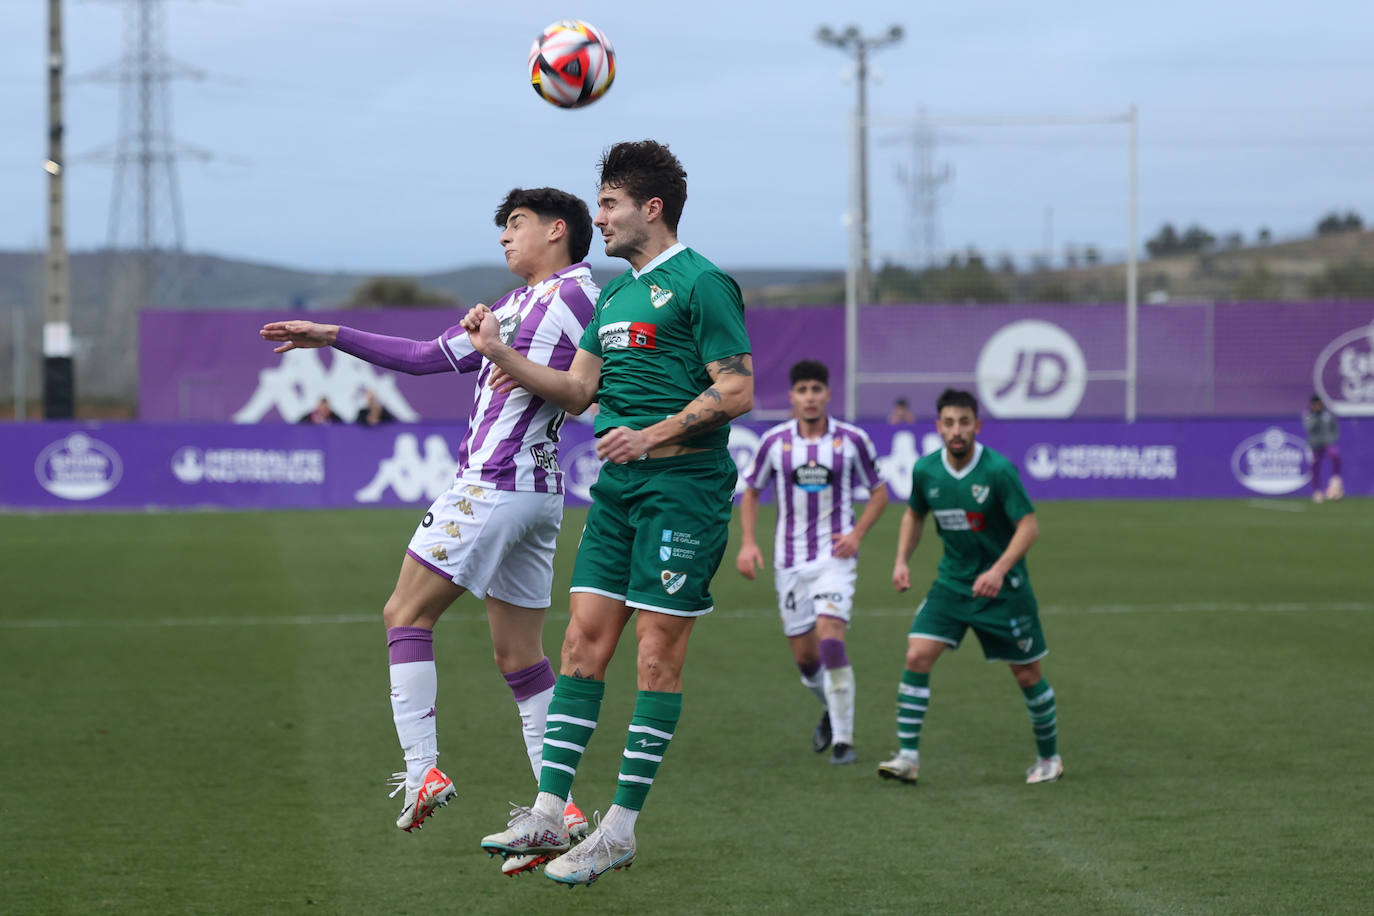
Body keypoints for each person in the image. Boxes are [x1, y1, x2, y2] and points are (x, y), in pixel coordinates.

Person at [258, 188, 599, 875]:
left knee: (404, 612)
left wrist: (500, 353)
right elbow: (420, 357)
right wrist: (329, 335)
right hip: (536, 496)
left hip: (494, 484)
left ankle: (423, 772)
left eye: (516, 224)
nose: (504, 238)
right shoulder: (510, 307)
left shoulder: (576, 296)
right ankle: (558, 809)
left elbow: (588, 384)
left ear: (557, 231)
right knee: (520, 658)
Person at [467, 140, 753, 887]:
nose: (599, 218)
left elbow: (739, 390)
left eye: (608, 205)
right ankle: (551, 810)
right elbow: (574, 391)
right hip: (619, 496)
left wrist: (654, 432)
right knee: (579, 648)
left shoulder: (703, 283)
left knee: (655, 656)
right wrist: (499, 353)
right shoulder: (616, 296)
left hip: (684, 490)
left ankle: (618, 831)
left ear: (649, 209)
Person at [877, 388, 1062, 786]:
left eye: (964, 422)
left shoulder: (998, 470)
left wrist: (997, 570)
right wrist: (901, 561)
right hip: (953, 584)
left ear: (977, 426)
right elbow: (914, 515)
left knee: (1028, 675)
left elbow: (1029, 526)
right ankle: (907, 757)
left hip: (1005, 589)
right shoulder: (926, 470)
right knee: (917, 654)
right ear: (938, 427)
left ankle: (1050, 759)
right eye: (949, 423)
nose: (956, 431)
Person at [735, 359, 889, 765]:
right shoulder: (774, 442)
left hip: (834, 559)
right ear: (792, 396)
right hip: (789, 562)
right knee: (806, 660)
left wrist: (856, 536)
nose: (809, 397)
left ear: (827, 394)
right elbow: (750, 491)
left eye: (816, 390)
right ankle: (831, 706)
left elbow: (879, 491)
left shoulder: (852, 440)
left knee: (831, 638)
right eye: (802, 390)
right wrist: (748, 544)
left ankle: (843, 741)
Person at [1304, 394, 1342, 502]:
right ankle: (1317, 491)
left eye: (1318, 404)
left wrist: (1332, 439)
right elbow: (1308, 428)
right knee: (1315, 467)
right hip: (1315, 445)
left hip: (1327, 444)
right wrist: (1316, 416)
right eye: (1314, 405)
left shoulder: (1327, 415)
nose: (1317, 406)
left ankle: (1335, 482)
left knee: (1336, 457)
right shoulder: (1308, 415)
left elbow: (1335, 429)